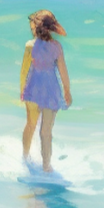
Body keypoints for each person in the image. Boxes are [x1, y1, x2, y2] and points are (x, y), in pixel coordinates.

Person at [19, 10, 72, 169]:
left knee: (31, 125)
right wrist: (67, 91)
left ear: (36, 26)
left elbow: (24, 72)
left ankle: (25, 157)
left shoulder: (30, 46)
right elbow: (63, 72)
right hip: (51, 91)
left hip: (33, 90)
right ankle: (46, 166)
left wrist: (22, 90)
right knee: (46, 132)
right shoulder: (57, 47)